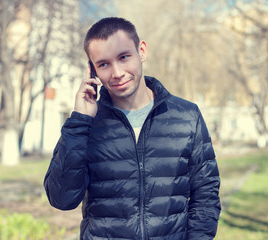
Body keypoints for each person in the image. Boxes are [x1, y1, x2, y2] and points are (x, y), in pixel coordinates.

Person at [44, 17, 221, 240]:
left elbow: (206, 196)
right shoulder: (85, 125)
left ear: (142, 51)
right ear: (92, 70)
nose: (117, 73)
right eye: (104, 64)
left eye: (124, 57)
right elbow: (62, 199)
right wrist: (80, 121)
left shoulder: (186, 115)